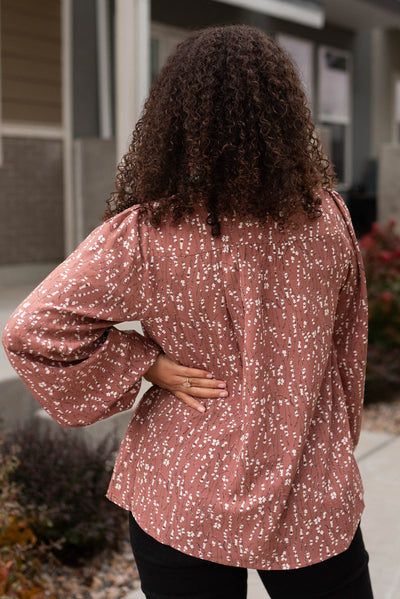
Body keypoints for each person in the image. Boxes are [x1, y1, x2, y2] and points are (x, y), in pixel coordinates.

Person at [2, 24, 374, 599]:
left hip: (184, 484)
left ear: (175, 119)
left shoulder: (149, 232)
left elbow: (32, 329)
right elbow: (349, 348)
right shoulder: (328, 219)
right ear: (285, 112)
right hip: (310, 485)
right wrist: (332, 442)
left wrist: (144, 363)